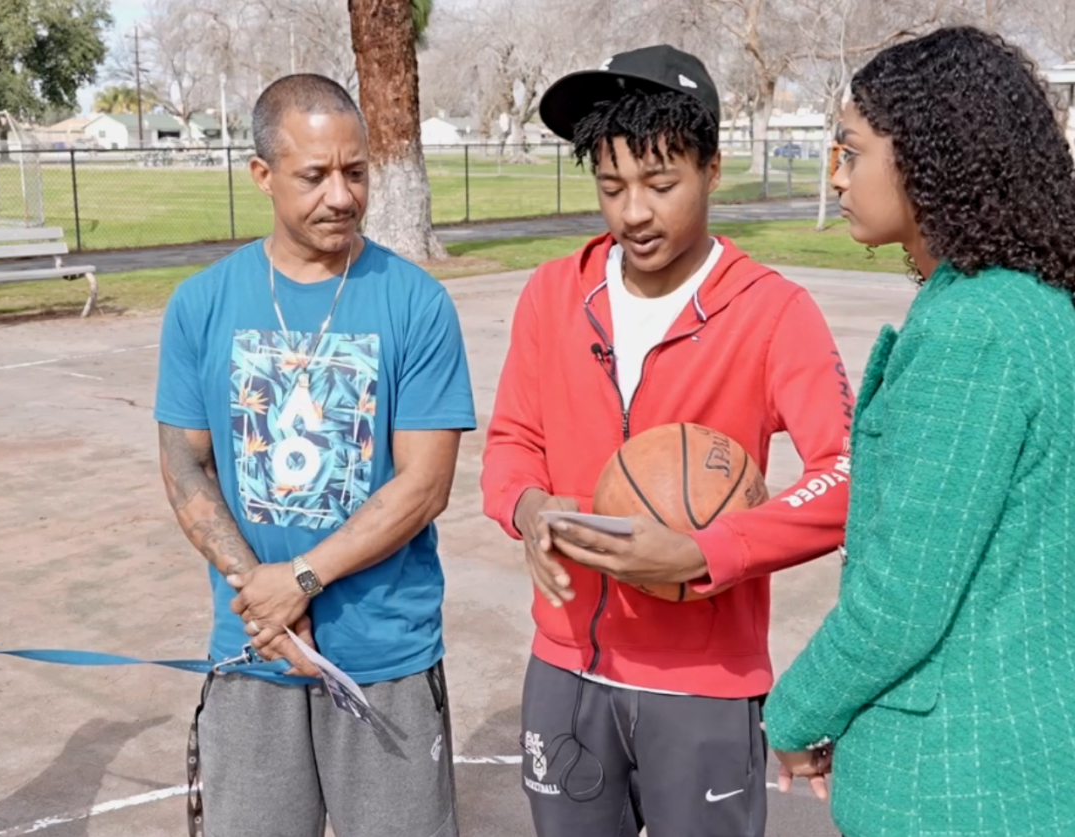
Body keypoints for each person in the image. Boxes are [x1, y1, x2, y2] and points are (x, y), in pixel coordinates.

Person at [763, 26, 1075, 837]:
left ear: (933, 157)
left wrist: (792, 715)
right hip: (1043, 760)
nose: (837, 174)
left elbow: (900, 600)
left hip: (965, 786)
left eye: (852, 150)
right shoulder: (1040, 309)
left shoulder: (970, 331)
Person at [479, 45, 853, 837]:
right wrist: (529, 506)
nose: (633, 213)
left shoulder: (772, 312)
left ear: (713, 170)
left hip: (703, 679)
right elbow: (511, 440)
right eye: (612, 187)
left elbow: (849, 475)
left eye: (660, 184)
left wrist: (709, 552)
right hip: (566, 665)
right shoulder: (554, 293)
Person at [153, 73, 476, 837]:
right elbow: (183, 461)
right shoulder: (202, 303)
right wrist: (260, 599)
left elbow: (425, 485)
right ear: (262, 175)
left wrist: (300, 578)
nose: (342, 195)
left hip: (384, 653)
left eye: (356, 171)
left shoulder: (416, 303)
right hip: (252, 651)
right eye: (315, 175)